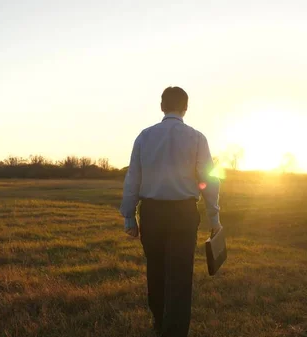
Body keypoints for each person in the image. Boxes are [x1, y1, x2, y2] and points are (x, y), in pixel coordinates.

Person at [120, 86, 221, 337]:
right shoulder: (197, 138)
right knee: (180, 273)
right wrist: (214, 217)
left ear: (162, 106)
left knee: (155, 268)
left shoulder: (144, 137)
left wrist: (128, 216)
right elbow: (209, 180)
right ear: (185, 107)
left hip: (152, 213)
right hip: (183, 214)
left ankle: (158, 321)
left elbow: (133, 177)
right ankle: (175, 330)